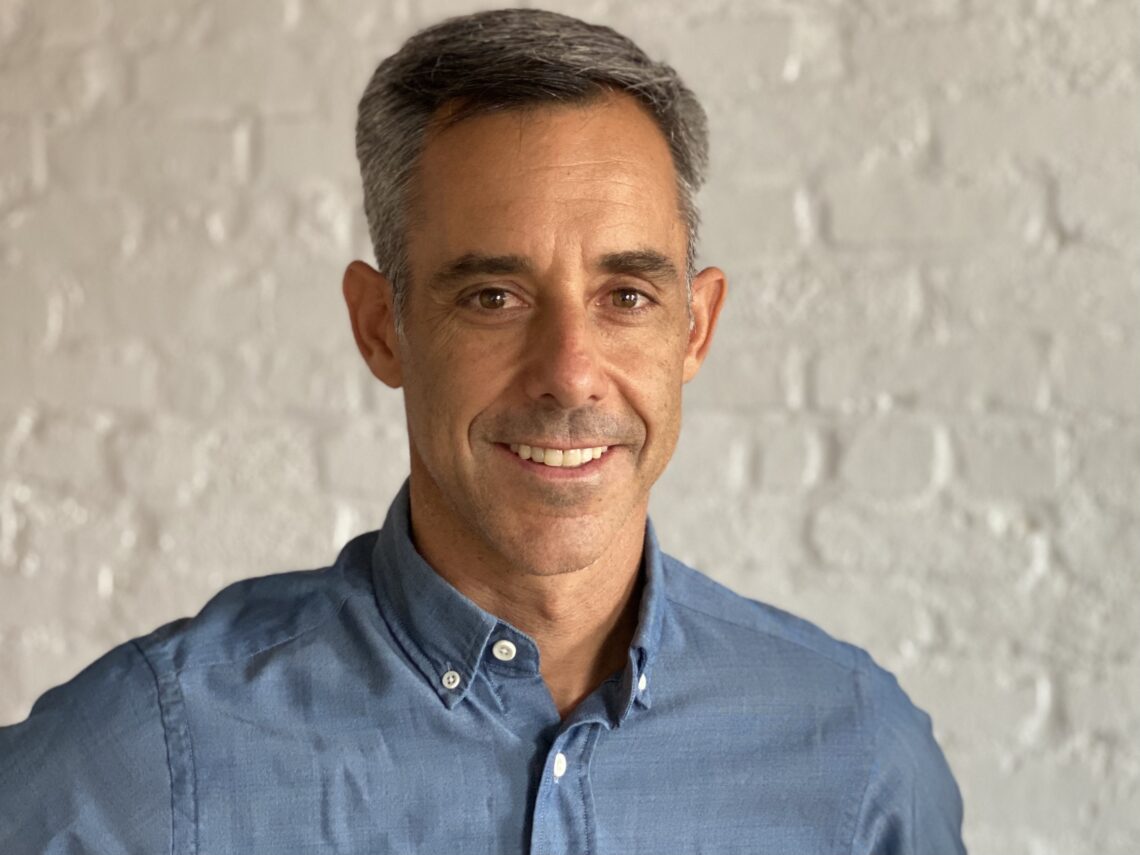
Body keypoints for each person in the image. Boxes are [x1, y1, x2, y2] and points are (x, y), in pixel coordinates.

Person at [0, 8, 965, 854]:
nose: (570, 373)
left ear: (695, 329)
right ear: (384, 325)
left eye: (627, 294)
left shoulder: (854, 758)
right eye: (494, 295)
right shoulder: (145, 757)